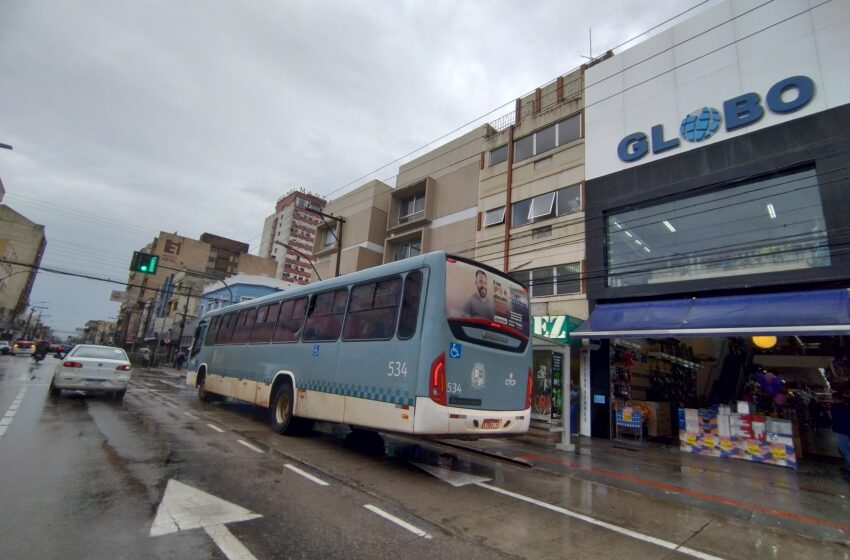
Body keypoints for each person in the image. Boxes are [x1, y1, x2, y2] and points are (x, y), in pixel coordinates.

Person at [832, 385, 850, 476]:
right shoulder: (846, 407)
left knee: (845, 450)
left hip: (840, 431)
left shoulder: (837, 408)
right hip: (846, 430)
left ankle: (849, 468)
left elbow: (836, 420)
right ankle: (847, 467)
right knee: (846, 449)